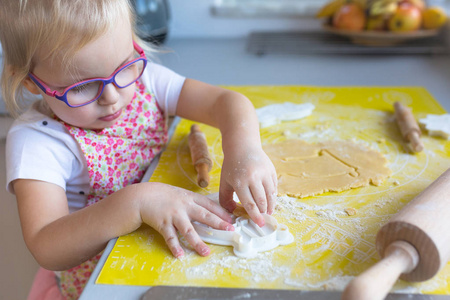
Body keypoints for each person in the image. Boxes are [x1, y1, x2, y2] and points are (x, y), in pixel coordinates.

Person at [0, 0, 277, 299]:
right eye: (81, 86)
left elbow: (224, 102)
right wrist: (136, 203)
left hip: (168, 265)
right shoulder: (38, 142)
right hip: (104, 289)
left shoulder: (147, 81)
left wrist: (245, 149)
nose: (111, 96)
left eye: (123, 65)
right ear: (30, 82)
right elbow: (47, 246)